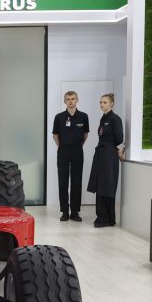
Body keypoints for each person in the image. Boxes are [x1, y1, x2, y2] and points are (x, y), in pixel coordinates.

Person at [87, 92, 125, 228]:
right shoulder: (103, 119)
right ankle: (101, 216)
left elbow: (119, 138)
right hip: (101, 154)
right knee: (100, 185)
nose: (102, 104)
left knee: (107, 186)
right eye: (100, 102)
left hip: (109, 155)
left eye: (105, 102)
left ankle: (107, 218)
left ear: (112, 104)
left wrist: (120, 152)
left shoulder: (115, 119)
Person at [52, 91, 89, 222]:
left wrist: (78, 146)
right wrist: (61, 147)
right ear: (65, 101)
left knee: (76, 182)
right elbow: (55, 134)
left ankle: (74, 212)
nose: (70, 101)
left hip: (77, 151)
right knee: (63, 182)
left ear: (77, 100)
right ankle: (64, 212)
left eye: (73, 99)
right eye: (68, 99)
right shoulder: (59, 117)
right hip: (63, 151)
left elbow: (85, 134)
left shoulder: (83, 116)